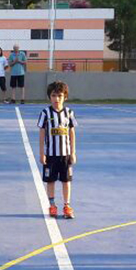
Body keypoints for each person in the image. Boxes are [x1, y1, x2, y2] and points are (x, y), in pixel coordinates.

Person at [38, 81, 77, 219]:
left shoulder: (69, 113)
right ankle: (52, 205)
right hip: (50, 155)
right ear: (49, 97)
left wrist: (73, 152)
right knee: (51, 180)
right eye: (54, 95)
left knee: (66, 181)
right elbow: (42, 133)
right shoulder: (45, 113)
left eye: (60, 96)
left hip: (65, 155)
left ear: (65, 97)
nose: (57, 99)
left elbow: (71, 133)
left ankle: (67, 205)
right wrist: (42, 153)